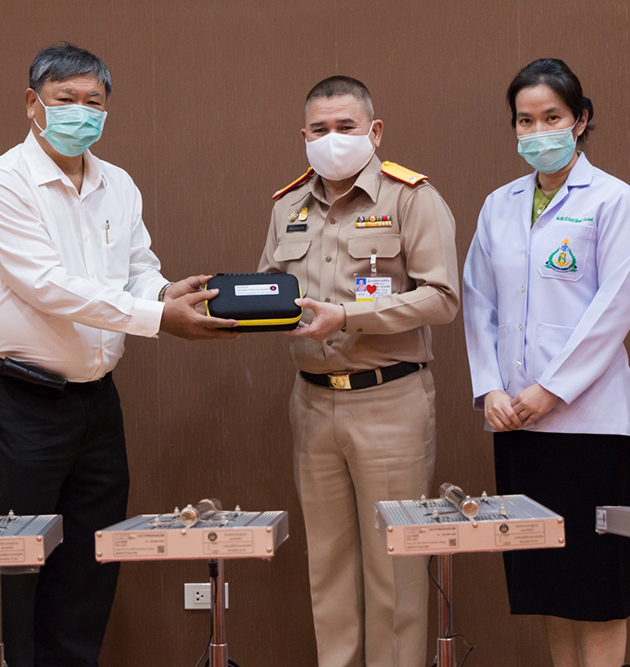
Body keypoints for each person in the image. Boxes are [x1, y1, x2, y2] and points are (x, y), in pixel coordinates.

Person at [0, 43, 238, 667]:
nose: (81, 113)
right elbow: (49, 286)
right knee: (10, 571)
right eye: (65, 99)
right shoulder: (3, 182)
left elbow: (138, 269)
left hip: (95, 403)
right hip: (16, 399)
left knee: (88, 569)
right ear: (32, 103)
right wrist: (158, 319)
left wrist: (166, 295)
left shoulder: (119, 183)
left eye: (94, 102)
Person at [258, 76, 460, 667]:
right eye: (319, 129)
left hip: (388, 399)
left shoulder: (410, 197)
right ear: (303, 136)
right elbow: (269, 288)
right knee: (328, 568)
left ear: (374, 131)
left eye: (346, 126)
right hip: (312, 403)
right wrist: (231, 309)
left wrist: (348, 316)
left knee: (395, 570)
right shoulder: (287, 206)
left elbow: (443, 297)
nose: (332, 138)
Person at [463, 58, 630, 667]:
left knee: (595, 588)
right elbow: (478, 302)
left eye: (552, 117)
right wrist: (490, 388)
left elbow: (614, 308)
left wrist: (552, 389)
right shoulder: (499, 205)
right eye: (525, 120)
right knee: (547, 586)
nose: (538, 132)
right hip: (516, 421)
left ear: (580, 119)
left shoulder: (613, 199)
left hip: (589, 425)